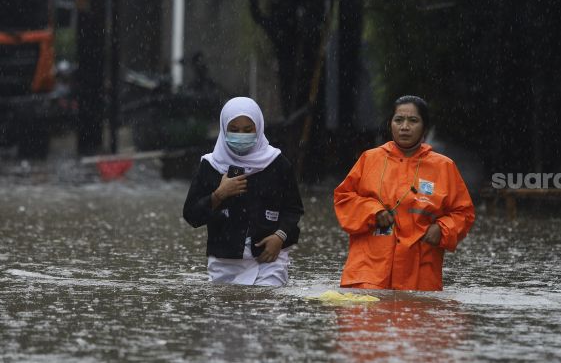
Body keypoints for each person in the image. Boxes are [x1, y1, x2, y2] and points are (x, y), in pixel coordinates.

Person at [333, 95, 475, 291]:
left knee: (417, 319)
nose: (405, 126)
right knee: (363, 319)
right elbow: (343, 198)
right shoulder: (369, 159)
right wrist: (373, 211)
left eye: (413, 120)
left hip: (420, 273)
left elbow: (464, 213)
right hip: (367, 271)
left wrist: (442, 229)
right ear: (390, 124)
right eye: (398, 120)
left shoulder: (444, 166)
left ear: (425, 128)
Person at [183, 97, 304, 286]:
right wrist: (219, 194)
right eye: (234, 130)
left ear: (259, 128)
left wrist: (280, 237)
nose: (241, 135)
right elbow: (192, 215)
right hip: (225, 260)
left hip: (269, 260)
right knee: (226, 312)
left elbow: (293, 209)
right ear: (224, 129)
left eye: (248, 130)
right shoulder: (210, 165)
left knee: (267, 307)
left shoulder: (277, 163)